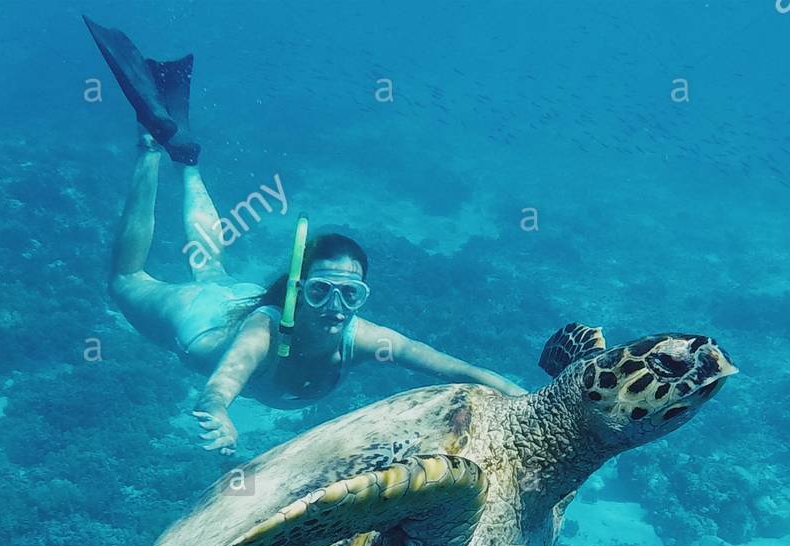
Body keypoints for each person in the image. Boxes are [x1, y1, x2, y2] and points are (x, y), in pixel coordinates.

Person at [84, 17, 526, 456]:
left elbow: (450, 366)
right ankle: (150, 143)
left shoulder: (363, 336)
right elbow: (220, 387)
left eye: (350, 294)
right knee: (125, 280)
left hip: (235, 297)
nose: (336, 307)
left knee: (212, 267)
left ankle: (184, 154)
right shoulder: (265, 328)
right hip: (199, 322)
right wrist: (218, 414)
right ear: (298, 290)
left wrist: (525, 401)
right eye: (321, 291)